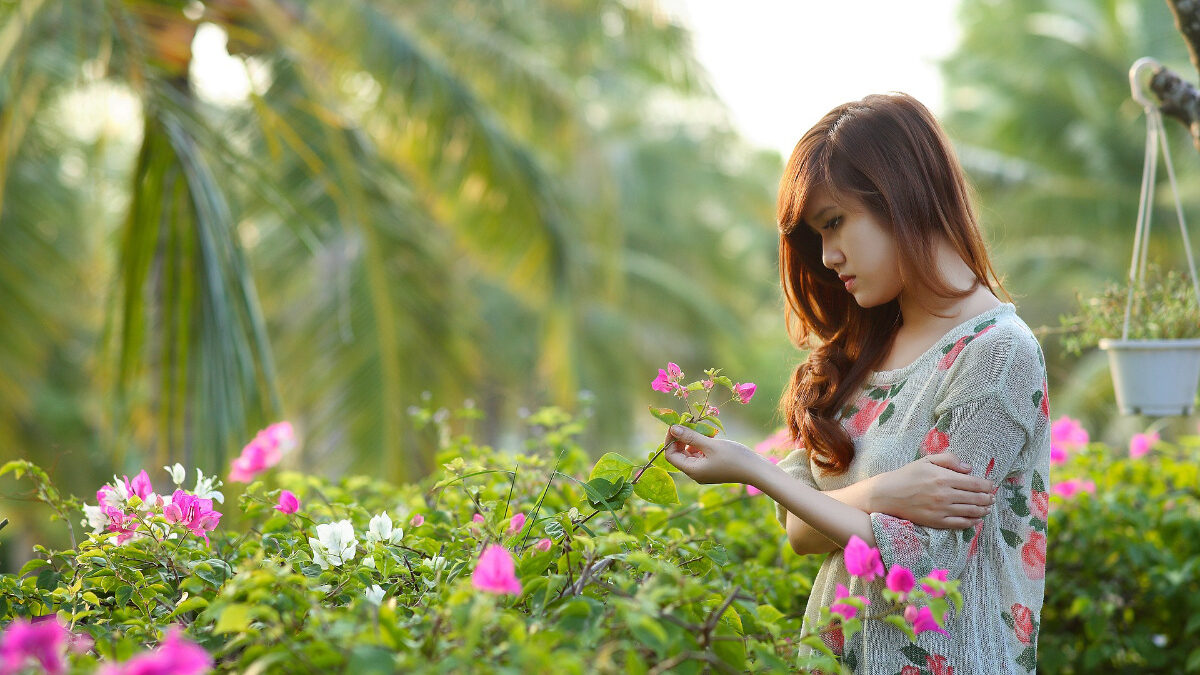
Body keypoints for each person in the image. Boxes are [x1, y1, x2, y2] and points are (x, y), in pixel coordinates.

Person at [664, 92, 1051, 674]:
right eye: (818, 235)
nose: (827, 257)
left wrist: (756, 470)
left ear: (900, 196)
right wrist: (883, 493)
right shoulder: (859, 354)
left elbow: (926, 559)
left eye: (835, 223)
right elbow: (802, 530)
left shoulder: (998, 353)